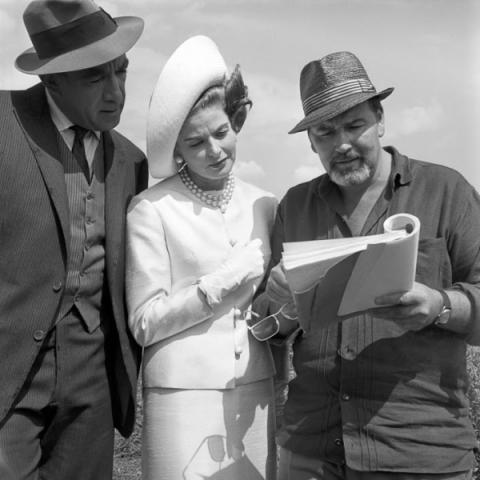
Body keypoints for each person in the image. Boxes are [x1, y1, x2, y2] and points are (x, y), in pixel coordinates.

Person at [264, 51, 480, 479]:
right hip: (310, 450)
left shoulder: (447, 190)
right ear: (311, 142)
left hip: (417, 449)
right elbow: (273, 326)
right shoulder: (295, 205)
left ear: (380, 120)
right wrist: (280, 301)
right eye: (325, 132)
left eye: (354, 125)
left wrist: (440, 305)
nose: (341, 144)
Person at [0, 1, 148, 479]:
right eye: (95, 78)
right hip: (8, 368)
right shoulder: (3, 124)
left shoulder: (131, 160)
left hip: (95, 374)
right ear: (51, 80)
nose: (116, 92)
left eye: (121, 72)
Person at [126, 35, 278, 480]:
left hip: (256, 388)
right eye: (196, 144)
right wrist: (219, 283)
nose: (214, 150)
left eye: (221, 133)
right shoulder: (151, 209)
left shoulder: (265, 204)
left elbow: (274, 303)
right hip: (181, 393)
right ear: (178, 152)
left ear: (235, 124)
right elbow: (145, 322)